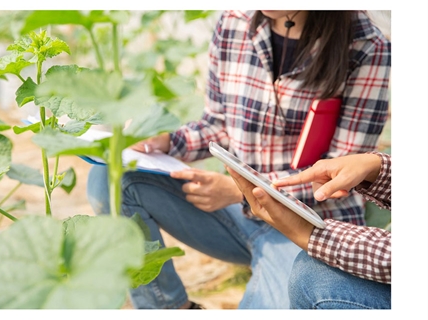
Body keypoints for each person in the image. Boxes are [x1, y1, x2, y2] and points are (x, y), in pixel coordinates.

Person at [86, 10, 391, 309]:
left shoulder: (366, 44)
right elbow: (217, 125)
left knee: (301, 286)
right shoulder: (234, 22)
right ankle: (171, 308)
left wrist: (239, 190)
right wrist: (165, 140)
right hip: (234, 214)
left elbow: (340, 176)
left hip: (306, 228)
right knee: (111, 179)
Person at [226, 151, 391, 309]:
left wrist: (311, 235)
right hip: (255, 221)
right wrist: (377, 167)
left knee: (314, 277)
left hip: (335, 220)